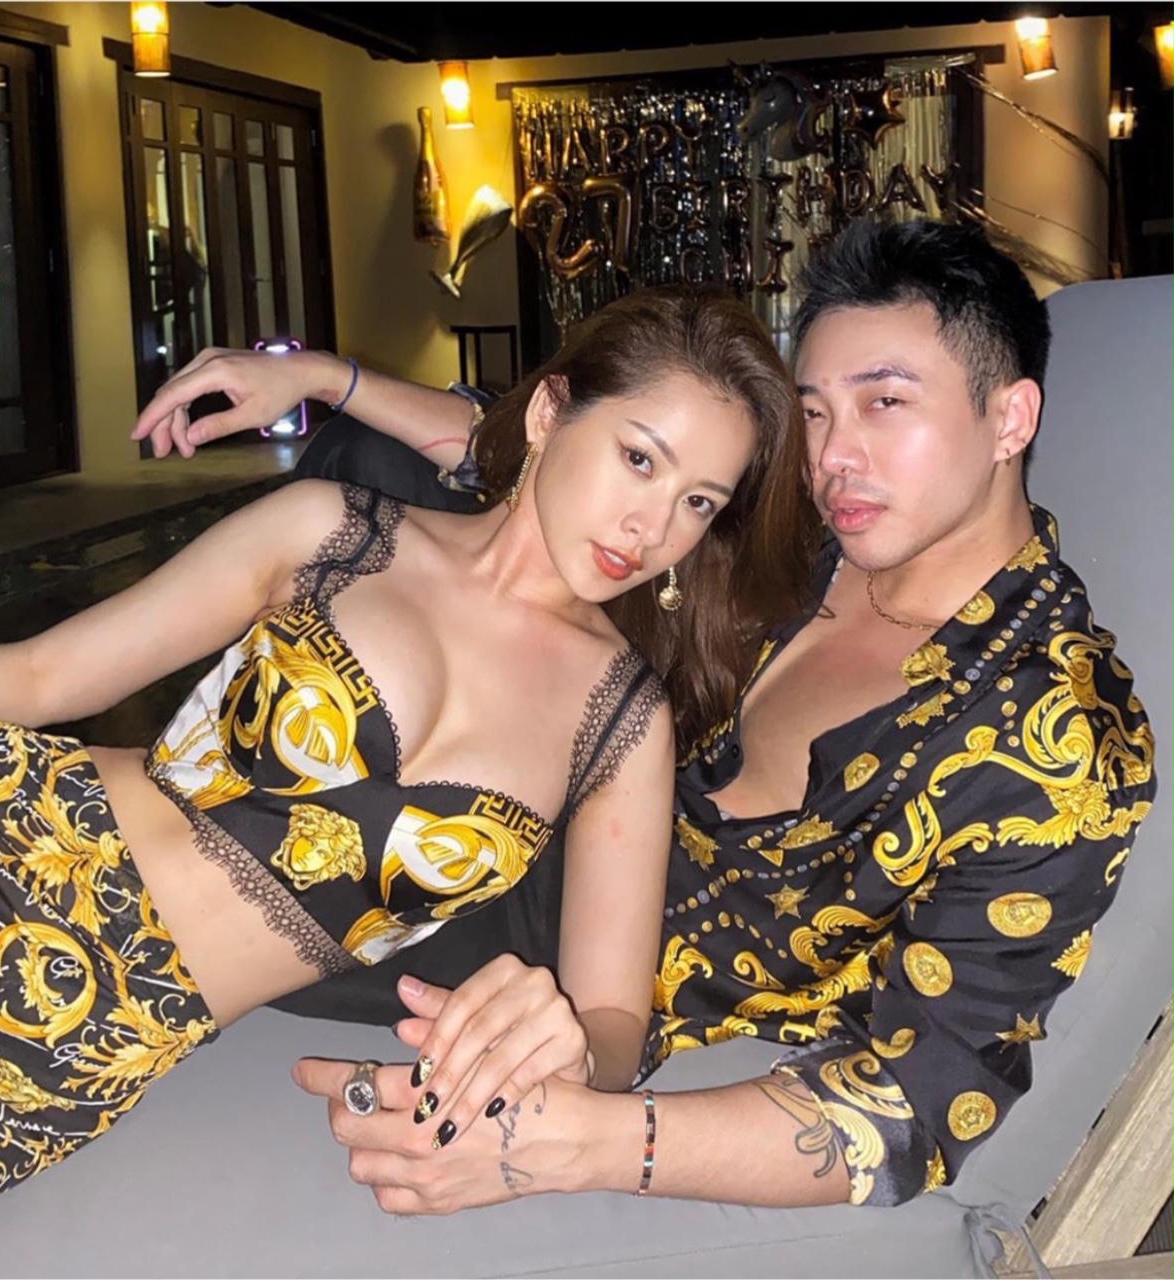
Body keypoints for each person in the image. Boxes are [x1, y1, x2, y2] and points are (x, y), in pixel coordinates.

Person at [135, 218, 1155, 1214]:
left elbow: (920, 1103)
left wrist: (580, 1140)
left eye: (885, 403)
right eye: (815, 413)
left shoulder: (1051, 740)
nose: (835, 456)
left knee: (184, 880)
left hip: (546, 969)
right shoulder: (814, 542)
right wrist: (328, 380)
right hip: (524, 777)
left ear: (1010, 418)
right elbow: (571, 467)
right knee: (373, 465)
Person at [0, 287, 820, 1248]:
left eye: (697, 502)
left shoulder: (623, 724)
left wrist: (572, 1049)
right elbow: (39, 675)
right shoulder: (334, 532)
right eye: (639, 459)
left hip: (84, 1036)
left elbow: (614, 1020)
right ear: (550, 413)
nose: (651, 526)